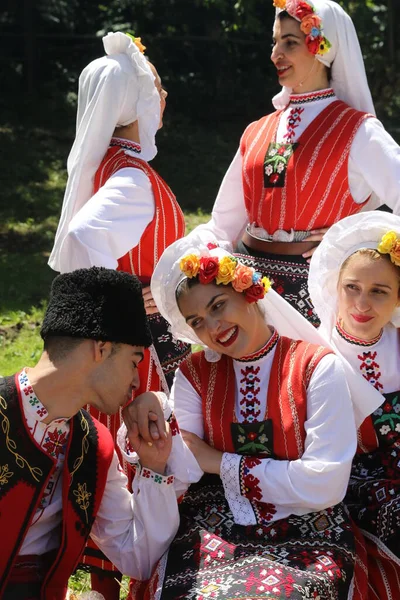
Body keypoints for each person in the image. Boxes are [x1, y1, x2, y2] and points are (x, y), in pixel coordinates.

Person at [119, 233, 374, 600]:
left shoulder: (316, 368)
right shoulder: (194, 374)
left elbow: (326, 484)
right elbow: (182, 466)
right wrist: (158, 412)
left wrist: (217, 461)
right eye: (197, 321)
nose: (212, 327)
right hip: (213, 524)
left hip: (311, 528)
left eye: (218, 305)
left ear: (250, 291)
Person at [47, 31, 190, 594]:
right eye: (156, 86)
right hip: (137, 357)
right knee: (136, 473)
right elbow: (84, 239)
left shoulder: (110, 168)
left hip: (122, 349)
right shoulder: (131, 178)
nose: (163, 95)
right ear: (138, 103)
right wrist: (129, 300)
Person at [189, 0, 400, 327]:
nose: (276, 54)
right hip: (250, 302)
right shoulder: (256, 131)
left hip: (320, 304)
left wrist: (355, 241)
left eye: (290, 42)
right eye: (275, 42)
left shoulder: (357, 130)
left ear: (322, 48)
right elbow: (222, 226)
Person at [0, 266, 183, 600]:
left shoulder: (93, 445)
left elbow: (138, 557)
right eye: (134, 361)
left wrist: (154, 465)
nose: (137, 381)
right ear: (100, 349)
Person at [308, 211, 400, 599]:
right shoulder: (313, 349)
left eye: (379, 290)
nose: (362, 303)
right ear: (335, 286)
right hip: (339, 480)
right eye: (352, 287)